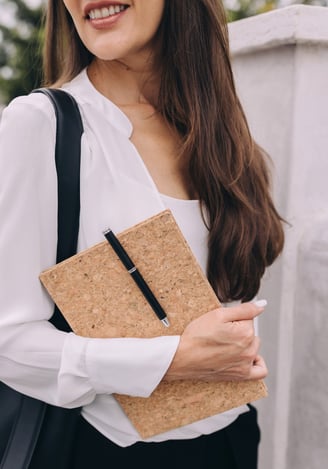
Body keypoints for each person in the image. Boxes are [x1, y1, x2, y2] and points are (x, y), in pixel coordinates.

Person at [0, 1, 285, 468]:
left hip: (231, 438)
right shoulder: (42, 125)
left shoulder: (218, 128)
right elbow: (7, 340)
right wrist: (171, 361)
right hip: (106, 450)